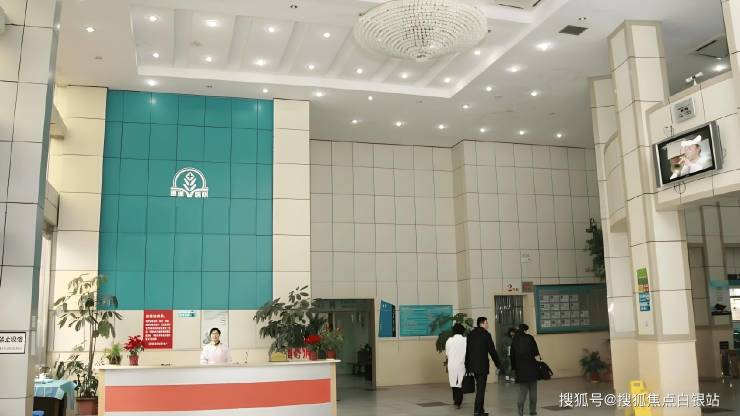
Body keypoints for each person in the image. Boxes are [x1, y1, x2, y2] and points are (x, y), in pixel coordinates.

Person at [465, 317, 501, 416]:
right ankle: (478, 411)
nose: (487, 325)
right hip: (482, 366)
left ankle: (480, 409)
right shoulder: (486, 335)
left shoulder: (470, 334)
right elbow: (492, 351)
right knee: (481, 389)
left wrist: (467, 365)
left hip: (473, 366)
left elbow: (468, 351)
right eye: (486, 323)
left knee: (479, 387)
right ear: (482, 323)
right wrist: (498, 364)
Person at [510, 324, 541, 416]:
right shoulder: (530, 338)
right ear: (525, 331)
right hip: (532, 367)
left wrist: (514, 368)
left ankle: (520, 410)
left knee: (522, 391)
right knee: (533, 390)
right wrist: (540, 362)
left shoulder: (515, 340)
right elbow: (536, 353)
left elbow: (512, 356)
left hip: (521, 369)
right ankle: (533, 411)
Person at [445, 323, 467, 409]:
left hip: (451, 364)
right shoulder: (465, 340)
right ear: (462, 331)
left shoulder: (449, 340)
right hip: (461, 364)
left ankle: (455, 399)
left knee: (453, 382)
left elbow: (447, 354)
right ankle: (458, 401)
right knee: (460, 382)